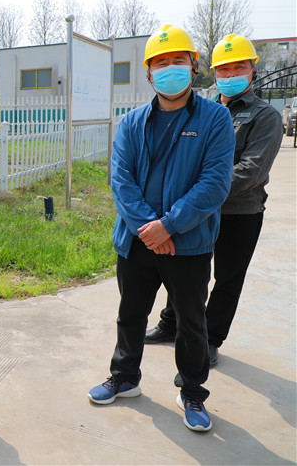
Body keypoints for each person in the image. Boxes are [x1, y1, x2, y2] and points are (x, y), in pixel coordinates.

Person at [87, 25, 235, 432]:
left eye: (178, 61)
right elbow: (121, 181)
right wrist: (148, 229)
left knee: (191, 322)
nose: (170, 69)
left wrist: (168, 226)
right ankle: (124, 377)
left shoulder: (216, 118)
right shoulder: (132, 122)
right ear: (149, 73)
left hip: (189, 242)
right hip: (137, 241)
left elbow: (214, 183)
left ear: (194, 66)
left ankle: (192, 391)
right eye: (161, 63)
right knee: (130, 313)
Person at [144, 35, 283, 367]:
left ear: (253, 70)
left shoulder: (264, 116)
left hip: (239, 211)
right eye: (224, 69)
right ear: (213, 72)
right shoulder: (199, 109)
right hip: (197, 211)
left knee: (227, 278)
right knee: (186, 271)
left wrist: (202, 191)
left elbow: (251, 170)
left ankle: (210, 339)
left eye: (239, 67)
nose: (231, 74)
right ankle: (171, 323)